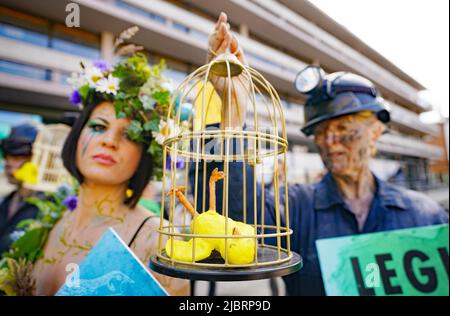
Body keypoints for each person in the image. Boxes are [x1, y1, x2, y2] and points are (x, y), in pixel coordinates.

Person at [192, 13, 449, 296]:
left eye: (344, 129)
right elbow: (235, 221)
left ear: (375, 132)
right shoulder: (296, 208)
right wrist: (232, 114)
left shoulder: (425, 216)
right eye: (321, 132)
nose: (330, 141)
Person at [14, 48, 191, 295]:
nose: (109, 140)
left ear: (144, 155)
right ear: (77, 136)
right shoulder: (51, 221)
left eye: (129, 135)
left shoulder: (159, 241)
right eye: (98, 126)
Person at [0, 123, 40, 254]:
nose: (8, 163)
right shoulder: (7, 200)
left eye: (17, 157)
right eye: (6, 157)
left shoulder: (48, 207)